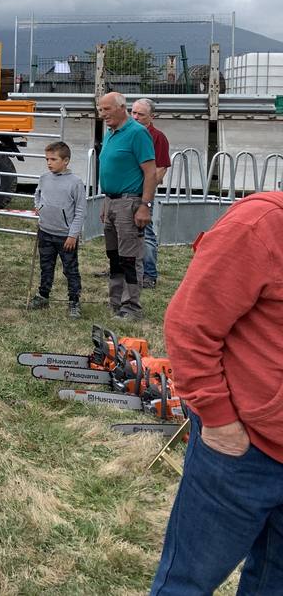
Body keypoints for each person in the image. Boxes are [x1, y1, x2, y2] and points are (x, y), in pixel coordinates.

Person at [149, 191, 283, 594]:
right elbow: (190, 326)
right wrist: (220, 421)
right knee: (188, 584)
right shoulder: (260, 225)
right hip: (244, 452)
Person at [96, 91, 155, 321]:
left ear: (121, 108)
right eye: (101, 110)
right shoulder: (111, 133)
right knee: (114, 254)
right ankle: (116, 301)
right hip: (111, 200)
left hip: (129, 202)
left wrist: (145, 205)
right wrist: (106, 202)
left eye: (106, 109)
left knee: (130, 257)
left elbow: (150, 172)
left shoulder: (138, 133)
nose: (102, 114)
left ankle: (131, 306)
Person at [31, 141, 85, 317]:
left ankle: (74, 301)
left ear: (66, 161)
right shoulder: (44, 178)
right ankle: (43, 295)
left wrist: (73, 234)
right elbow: (38, 193)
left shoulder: (75, 183)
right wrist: (39, 206)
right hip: (45, 231)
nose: (49, 163)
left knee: (70, 269)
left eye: (53, 159)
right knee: (46, 266)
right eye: (47, 159)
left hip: (65, 237)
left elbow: (80, 210)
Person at [130, 98, 170, 289]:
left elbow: (161, 168)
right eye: (133, 113)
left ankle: (149, 274)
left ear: (151, 117)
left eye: (140, 114)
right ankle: (124, 268)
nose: (135, 117)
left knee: (146, 233)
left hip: (142, 193)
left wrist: (147, 193)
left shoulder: (157, 137)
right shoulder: (125, 132)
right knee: (124, 232)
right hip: (124, 192)